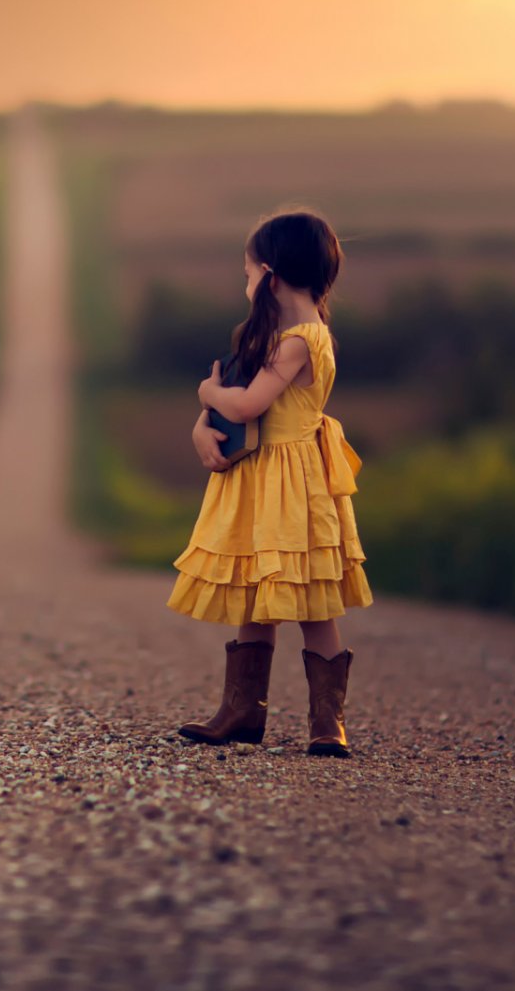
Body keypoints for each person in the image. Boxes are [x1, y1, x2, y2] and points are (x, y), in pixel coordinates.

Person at [165, 208, 372, 757]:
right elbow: (246, 415)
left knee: (312, 602)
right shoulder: (286, 336)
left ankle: (328, 723)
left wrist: (206, 396)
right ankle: (242, 712)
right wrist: (202, 428)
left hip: (290, 481)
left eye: (249, 274)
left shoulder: (301, 340)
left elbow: (248, 402)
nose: (247, 284)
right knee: (257, 594)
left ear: (271, 275)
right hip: (264, 476)